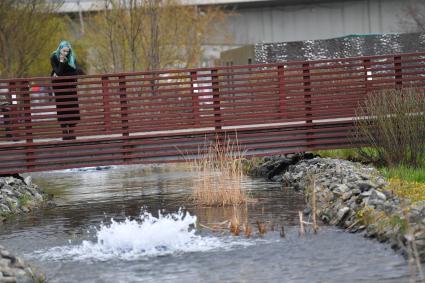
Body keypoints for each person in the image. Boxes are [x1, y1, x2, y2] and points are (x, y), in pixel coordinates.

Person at [50, 40, 83, 140]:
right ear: (59, 49)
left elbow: (79, 72)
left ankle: (72, 131)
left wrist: (62, 75)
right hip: (59, 88)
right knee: (62, 108)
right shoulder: (53, 57)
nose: (65, 53)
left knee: (72, 107)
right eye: (63, 51)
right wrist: (61, 61)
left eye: (67, 51)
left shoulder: (72, 57)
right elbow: (58, 71)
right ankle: (64, 131)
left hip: (70, 87)